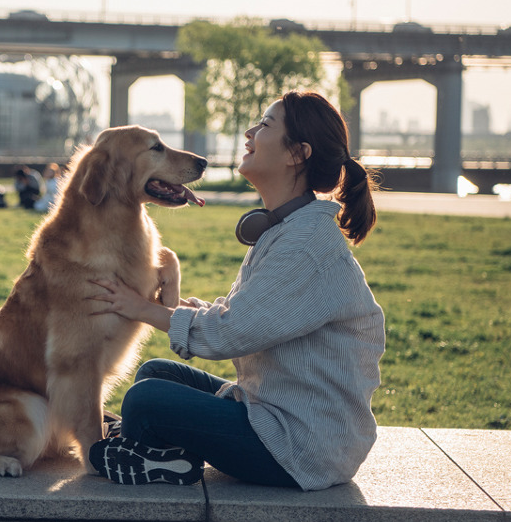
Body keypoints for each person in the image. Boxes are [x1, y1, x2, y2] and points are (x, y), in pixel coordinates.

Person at [87, 91, 386, 491]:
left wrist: (137, 306)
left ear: (297, 153)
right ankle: (160, 454)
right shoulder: (289, 229)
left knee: (146, 400)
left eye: (265, 125)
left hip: (300, 447)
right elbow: (247, 316)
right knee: (155, 374)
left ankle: (150, 457)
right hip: (272, 412)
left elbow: (230, 333)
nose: (250, 133)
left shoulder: (305, 246)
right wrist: (187, 307)